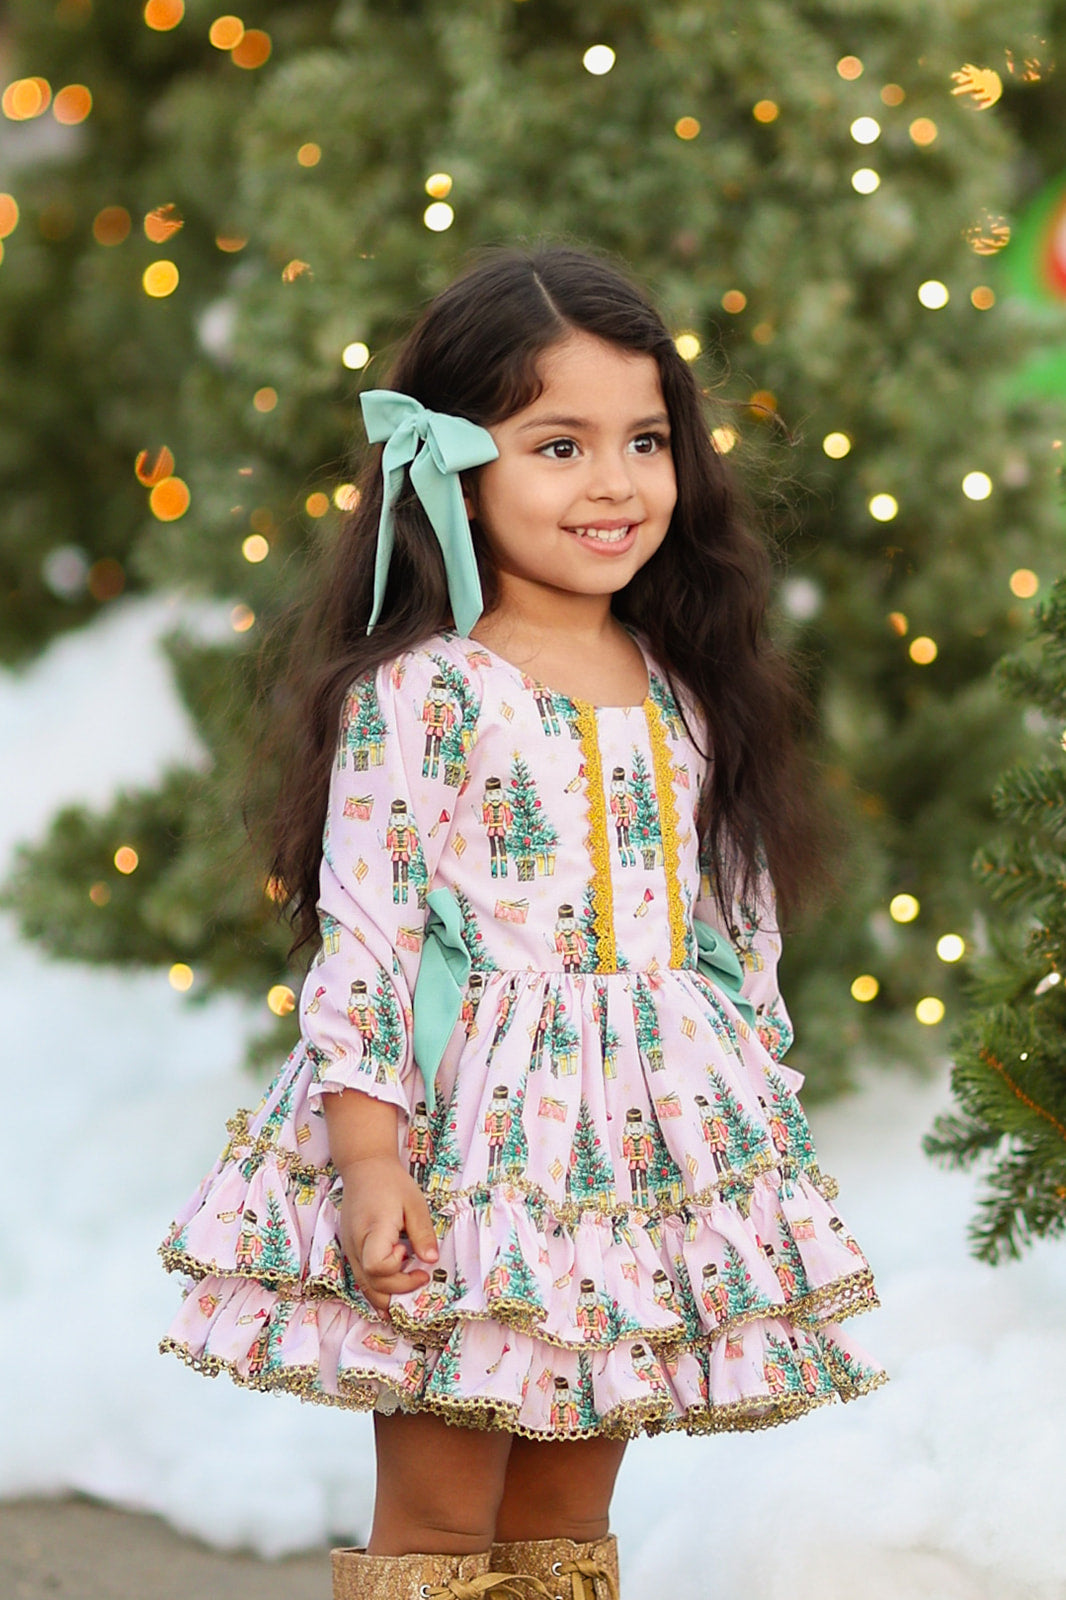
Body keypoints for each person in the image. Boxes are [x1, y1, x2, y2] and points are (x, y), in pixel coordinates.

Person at [159, 246, 888, 1600]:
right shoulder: (430, 691)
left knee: (565, 1505)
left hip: (632, 1158)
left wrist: (743, 1090)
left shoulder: (685, 683)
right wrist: (368, 1161)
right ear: (456, 468)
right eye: (560, 445)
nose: (615, 484)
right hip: (467, 1151)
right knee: (444, 1510)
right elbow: (369, 936)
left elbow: (731, 923)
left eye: (644, 441)